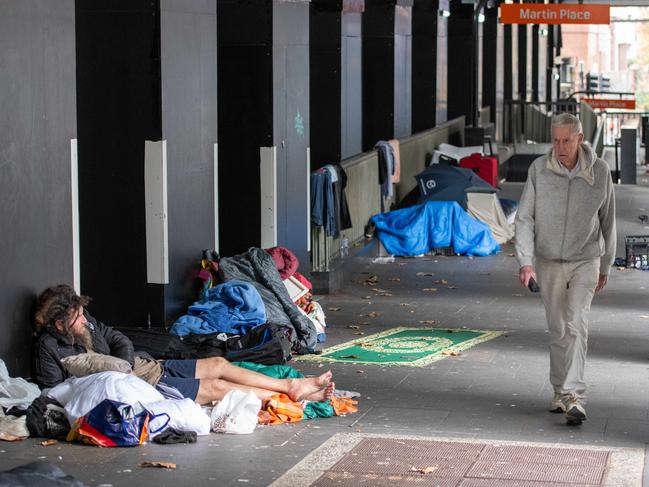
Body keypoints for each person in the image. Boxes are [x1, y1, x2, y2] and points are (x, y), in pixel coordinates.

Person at [33, 284, 334, 405]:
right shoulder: (49, 349)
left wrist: (123, 363)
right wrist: (117, 376)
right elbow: (56, 392)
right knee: (215, 387)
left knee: (218, 364)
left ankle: (292, 386)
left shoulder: (86, 322)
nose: (84, 319)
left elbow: (117, 337)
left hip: (146, 366)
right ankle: (287, 396)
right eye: (77, 317)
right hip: (141, 386)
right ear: (59, 324)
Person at [515, 113, 616, 426]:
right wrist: (526, 262)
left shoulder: (599, 172)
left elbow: (608, 221)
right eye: (555, 139)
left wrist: (606, 265)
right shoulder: (539, 171)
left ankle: (575, 396)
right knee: (558, 328)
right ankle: (560, 391)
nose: (559, 146)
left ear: (580, 138)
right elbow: (524, 218)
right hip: (547, 261)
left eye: (566, 140)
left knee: (576, 324)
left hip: (586, 259)